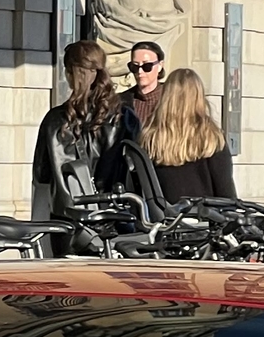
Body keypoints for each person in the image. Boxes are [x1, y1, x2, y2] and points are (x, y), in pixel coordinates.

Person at [32, 39, 123, 217]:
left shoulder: (54, 120)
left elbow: (41, 176)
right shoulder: (123, 117)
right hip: (114, 214)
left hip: (67, 216)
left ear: (69, 74)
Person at [133, 66, 235, 202]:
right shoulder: (212, 139)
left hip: (164, 214)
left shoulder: (149, 139)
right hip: (205, 213)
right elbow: (226, 192)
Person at [124, 40, 167, 130]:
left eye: (147, 66)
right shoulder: (121, 101)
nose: (140, 71)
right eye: (135, 67)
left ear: (160, 66)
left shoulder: (171, 97)